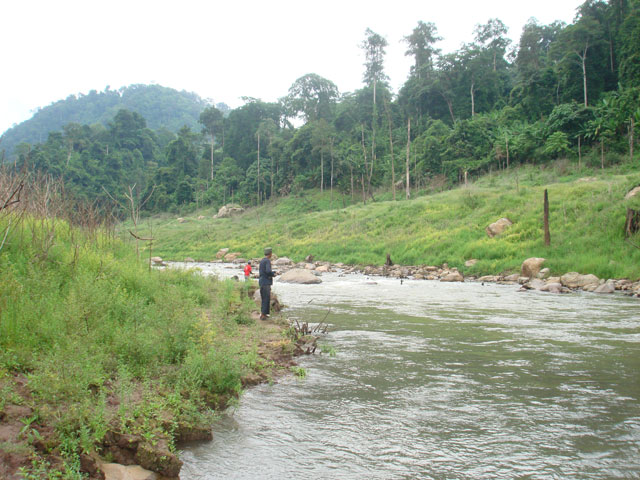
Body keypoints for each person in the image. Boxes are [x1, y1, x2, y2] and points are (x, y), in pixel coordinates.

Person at [259, 247, 277, 320]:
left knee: (264, 298)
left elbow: (264, 271)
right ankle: (263, 315)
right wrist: (273, 274)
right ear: (270, 254)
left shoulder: (262, 261)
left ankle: (264, 314)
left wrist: (272, 272)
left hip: (262, 281)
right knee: (266, 298)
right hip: (266, 282)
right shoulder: (267, 261)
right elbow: (268, 271)